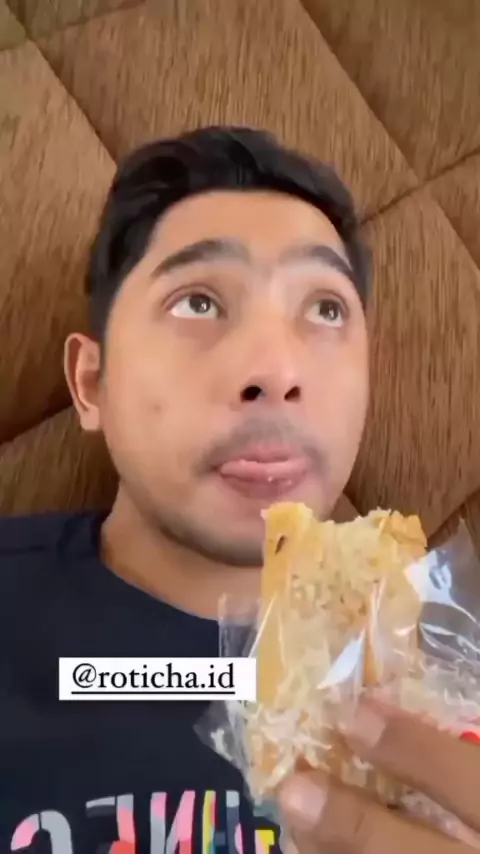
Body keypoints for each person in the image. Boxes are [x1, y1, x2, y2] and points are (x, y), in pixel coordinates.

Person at [1, 127, 478, 854]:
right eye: (198, 302)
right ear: (92, 383)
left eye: (325, 309)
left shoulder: (453, 660)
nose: (276, 370)